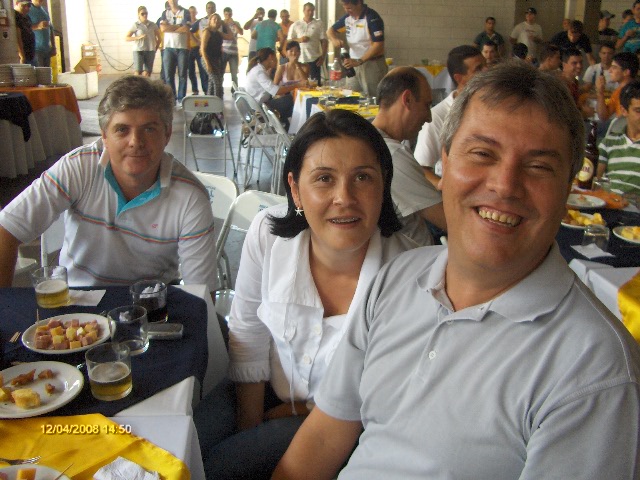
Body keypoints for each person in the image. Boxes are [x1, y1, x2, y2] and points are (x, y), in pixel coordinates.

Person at [273, 60, 640, 480]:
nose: (504, 185)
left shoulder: (595, 371)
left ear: (569, 187)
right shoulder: (397, 278)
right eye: (482, 154)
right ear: (444, 163)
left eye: (538, 166)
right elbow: (325, 434)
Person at [193, 109, 417, 479]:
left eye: (362, 177)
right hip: (261, 385)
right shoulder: (267, 235)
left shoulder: (411, 275)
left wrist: (287, 416)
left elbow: (381, 398)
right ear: (295, 189)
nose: (344, 198)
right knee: (180, 450)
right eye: (324, 179)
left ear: (384, 185)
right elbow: (248, 334)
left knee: (218, 469)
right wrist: (250, 423)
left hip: (345, 425)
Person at [0, 76, 217, 291]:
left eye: (149, 129)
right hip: (76, 299)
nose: (136, 142)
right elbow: (6, 230)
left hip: (150, 304)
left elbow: (202, 292)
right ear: (104, 136)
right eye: (122, 129)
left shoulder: (191, 197)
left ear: (167, 134)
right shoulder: (78, 167)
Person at [371, 67, 446, 246]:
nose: (429, 117)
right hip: (417, 256)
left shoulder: (375, 141)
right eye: (427, 105)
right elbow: (451, 222)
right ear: (408, 100)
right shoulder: (392, 155)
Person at [414, 45, 485, 187]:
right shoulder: (439, 116)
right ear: (460, 78)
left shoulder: (493, 109)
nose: (487, 71)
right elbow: (421, 168)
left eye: (486, 65)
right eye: (479, 69)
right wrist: (445, 189)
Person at [327, 0, 388, 97]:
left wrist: (360, 61)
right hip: (353, 63)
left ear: (359, 3)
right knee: (350, 94)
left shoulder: (372, 17)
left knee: (372, 97)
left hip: (371, 64)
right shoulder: (347, 18)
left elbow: (378, 44)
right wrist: (334, 40)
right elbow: (330, 31)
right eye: (344, 8)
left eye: (349, 8)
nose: (347, 11)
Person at [244, 48, 305, 129]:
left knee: (290, 107)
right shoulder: (259, 72)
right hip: (260, 108)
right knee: (292, 101)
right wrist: (297, 85)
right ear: (270, 57)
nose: (277, 60)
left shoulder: (258, 69)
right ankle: (290, 129)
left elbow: (272, 88)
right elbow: (276, 91)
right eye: (275, 57)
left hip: (259, 104)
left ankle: (287, 129)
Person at [598, 80, 640, 195]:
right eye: (638, 111)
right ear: (624, 111)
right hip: (608, 201)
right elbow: (595, 179)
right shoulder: (609, 143)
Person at [288, 2, 327, 85]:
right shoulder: (296, 24)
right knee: (300, 83)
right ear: (303, 11)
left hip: (314, 59)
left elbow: (324, 41)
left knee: (315, 84)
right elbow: (289, 41)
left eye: (312, 10)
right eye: (308, 10)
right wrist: (299, 40)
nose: (310, 12)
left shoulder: (319, 24)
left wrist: (323, 56)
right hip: (299, 59)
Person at [159, 0, 190, 104]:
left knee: (182, 75)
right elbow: (163, 29)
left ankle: (182, 99)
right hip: (168, 48)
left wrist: (170, 27)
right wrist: (178, 26)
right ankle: (172, 98)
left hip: (182, 47)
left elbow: (186, 28)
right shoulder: (165, 13)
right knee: (168, 75)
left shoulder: (185, 12)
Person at [596, 51, 639, 122]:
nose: (610, 71)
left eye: (614, 67)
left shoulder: (636, 91)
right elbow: (603, 116)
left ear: (626, 72)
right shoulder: (618, 91)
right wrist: (600, 92)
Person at [125, 6, 160, 77]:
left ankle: (146, 84)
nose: (145, 15)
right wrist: (138, 37)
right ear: (138, 15)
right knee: (138, 71)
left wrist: (155, 48)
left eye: (146, 13)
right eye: (142, 14)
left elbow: (159, 38)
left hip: (150, 49)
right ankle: (136, 83)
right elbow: (127, 38)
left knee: (148, 72)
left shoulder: (153, 25)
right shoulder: (136, 25)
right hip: (138, 50)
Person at [200, 13, 229, 98]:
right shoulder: (207, 32)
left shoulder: (218, 33)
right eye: (214, 19)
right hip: (207, 59)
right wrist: (207, 63)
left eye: (218, 19)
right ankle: (217, 100)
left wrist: (225, 24)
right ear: (210, 21)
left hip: (216, 60)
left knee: (213, 82)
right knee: (216, 81)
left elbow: (230, 37)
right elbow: (202, 49)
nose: (216, 21)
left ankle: (210, 101)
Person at [28, 0, 56, 68]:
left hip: (46, 49)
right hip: (36, 49)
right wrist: (37, 26)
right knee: (40, 71)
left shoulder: (45, 10)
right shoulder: (28, 10)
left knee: (47, 71)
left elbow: (51, 29)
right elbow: (25, 28)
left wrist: (53, 46)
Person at [222, 7, 243, 91]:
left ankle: (235, 90)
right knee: (221, 72)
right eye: (226, 14)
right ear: (224, 14)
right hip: (223, 51)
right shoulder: (221, 23)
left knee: (234, 73)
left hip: (233, 52)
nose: (228, 16)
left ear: (232, 14)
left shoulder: (236, 23)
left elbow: (241, 32)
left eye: (230, 14)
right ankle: (220, 89)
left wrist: (233, 23)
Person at [186, 5, 205, 95]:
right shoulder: (185, 24)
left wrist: (190, 33)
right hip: (188, 49)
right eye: (190, 12)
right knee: (191, 71)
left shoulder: (199, 24)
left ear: (196, 13)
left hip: (197, 48)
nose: (192, 14)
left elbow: (200, 39)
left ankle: (205, 89)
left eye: (193, 12)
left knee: (202, 70)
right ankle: (195, 89)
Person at [14, 0, 35, 65]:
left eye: (29, 6)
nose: (26, 8)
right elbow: (18, 37)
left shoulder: (27, 17)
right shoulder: (15, 16)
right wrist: (22, 56)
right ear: (17, 3)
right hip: (23, 54)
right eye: (23, 6)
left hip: (31, 53)